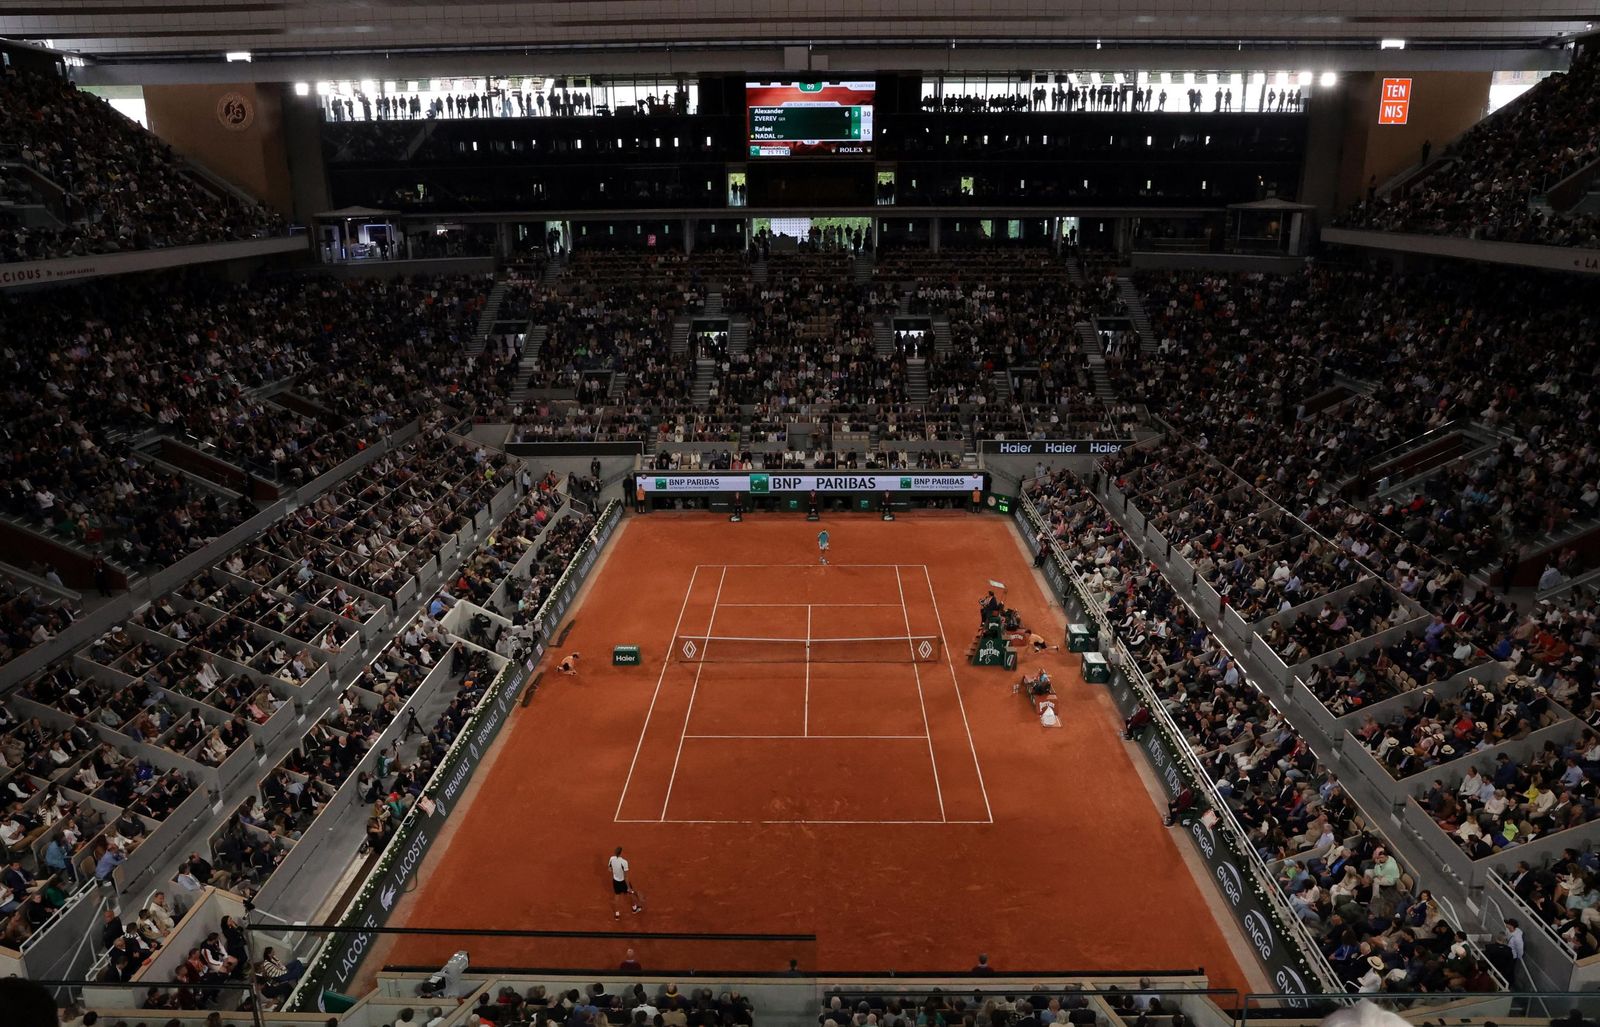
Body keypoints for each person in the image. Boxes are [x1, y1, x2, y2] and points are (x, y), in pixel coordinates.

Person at [608, 846, 641, 918]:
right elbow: (626, 876)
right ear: (621, 853)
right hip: (623, 882)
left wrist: (616, 870)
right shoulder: (624, 862)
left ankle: (617, 914)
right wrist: (628, 887)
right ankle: (634, 908)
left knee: (617, 896)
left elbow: (609, 869)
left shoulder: (611, 859)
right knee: (630, 894)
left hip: (615, 881)